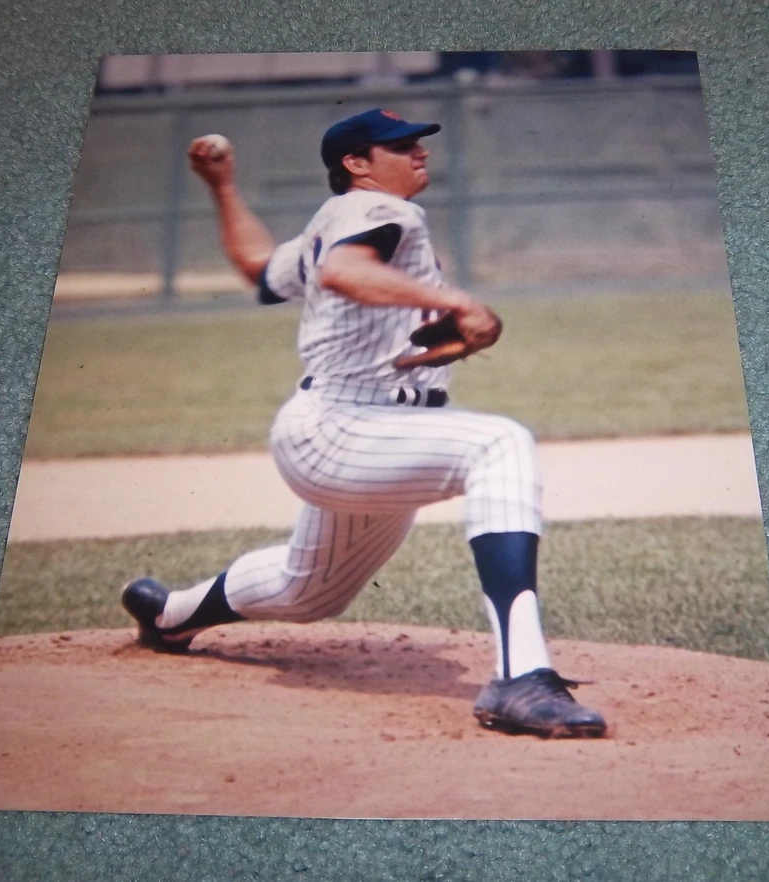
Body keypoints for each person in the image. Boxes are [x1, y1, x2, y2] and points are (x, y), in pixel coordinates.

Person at [122, 108, 607, 738]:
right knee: (500, 444)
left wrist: (222, 187)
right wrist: (458, 300)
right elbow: (342, 272)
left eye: (418, 144)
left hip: (362, 437)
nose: (418, 153)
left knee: (310, 591)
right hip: (344, 426)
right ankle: (521, 677)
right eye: (400, 146)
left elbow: (259, 267)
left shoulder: (346, 223)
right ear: (357, 165)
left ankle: (169, 616)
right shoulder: (373, 212)